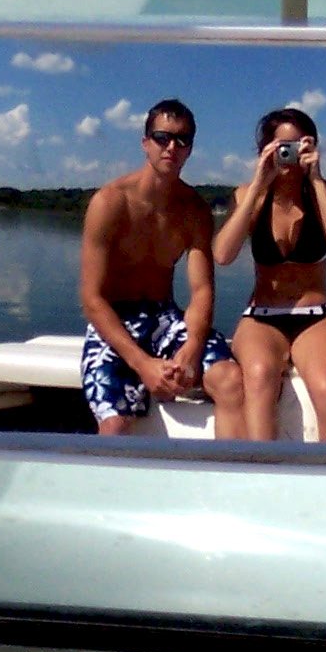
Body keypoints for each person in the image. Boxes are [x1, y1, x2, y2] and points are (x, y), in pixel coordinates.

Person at [78, 100, 248, 439]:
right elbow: (91, 297)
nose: (172, 147)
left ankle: (229, 480)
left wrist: (192, 348)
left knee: (229, 380)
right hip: (114, 321)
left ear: (190, 149)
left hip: (165, 318)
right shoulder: (110, 203)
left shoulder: (194, 210)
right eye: (162, 137)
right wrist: (142, 365)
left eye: (182, 140)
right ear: (145, 143)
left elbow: (202, 290)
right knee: (114, 425)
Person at [212, 105, 326, 442]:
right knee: (259, 377)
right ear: (265, 150)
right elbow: (222, 254)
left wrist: (316, 179)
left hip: (316, 314)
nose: (289, 156)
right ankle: (265, 475)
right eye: (281, 148)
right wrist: (260, 183)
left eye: (298, 146)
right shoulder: (247, 195)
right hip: (263, 315)